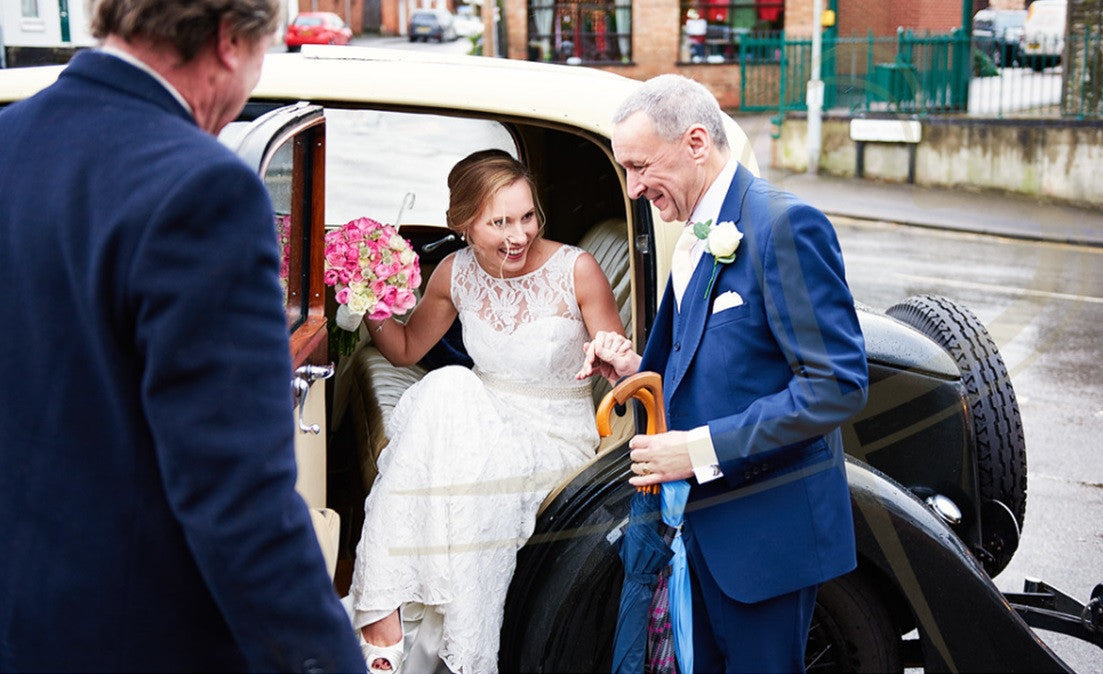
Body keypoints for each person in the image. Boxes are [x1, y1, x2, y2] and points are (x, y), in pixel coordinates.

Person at [0, 1, 366, 671]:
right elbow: (237, 493)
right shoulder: (204, 189)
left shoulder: (9, 138)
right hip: (134, 635)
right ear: (229, 41)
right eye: (263, 54)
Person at [577, 74, 869, 672]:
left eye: (639, 166)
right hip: (697, 532)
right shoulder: (695, 232)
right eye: (623, 170)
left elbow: (836, 386)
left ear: (695, 143)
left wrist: (698, 451)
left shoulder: (783, 226)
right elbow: (699, 361)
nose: (632, 188)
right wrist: (633, 368)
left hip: (765, 539)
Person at [345, 151, 625, 673]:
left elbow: (619, 355)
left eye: (527, 216)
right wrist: (370, 299)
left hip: (554, 434)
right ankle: (386, 612)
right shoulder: (455, 273)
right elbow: (406, 349)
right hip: (481, 415)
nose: (518, 235)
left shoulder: (576, 270)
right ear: (463, 224)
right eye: (499, 222)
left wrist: (613, 357)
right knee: (450, 392)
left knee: (451, 394)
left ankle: (424, 639)